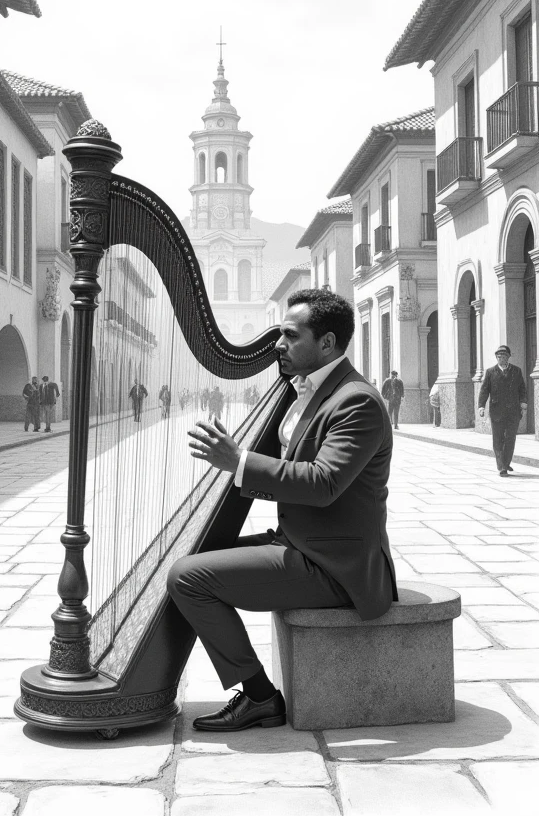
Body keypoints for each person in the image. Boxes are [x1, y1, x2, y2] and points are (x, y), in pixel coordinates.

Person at [168, 289, 397, 732]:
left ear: (327, 343)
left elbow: (323, 483)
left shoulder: (356, 401)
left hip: (335, 567)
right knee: (204, 550)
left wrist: (239, 462)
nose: (277, 344)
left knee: (187, 577)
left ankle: (259, 697)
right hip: (301, 542)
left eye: (290, 336)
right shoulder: (309, 391)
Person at [478, 345, 527, 476]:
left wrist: (523, 402)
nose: (501, 358)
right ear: (496, 358)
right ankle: (502, 467)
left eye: (504, 356)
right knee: (498, 439)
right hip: (496, 411)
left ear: (508, 357)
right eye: (499, 356)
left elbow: (522, 388)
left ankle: (506, 462)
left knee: (510, 439)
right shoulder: (490, 372)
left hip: (513, 412)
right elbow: (484, 390)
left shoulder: (516, 371)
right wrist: (481, 406)